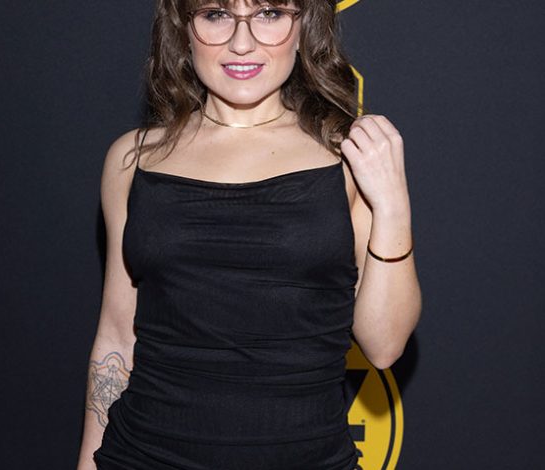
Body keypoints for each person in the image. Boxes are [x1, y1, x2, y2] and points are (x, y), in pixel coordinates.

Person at [77, 0, 421, 468]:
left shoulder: (349, 159)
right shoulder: (133, 160)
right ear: (184, 28)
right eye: (216, 14)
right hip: (142, 455)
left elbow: (383, 346)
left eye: (269, 13)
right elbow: (117, 337)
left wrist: (393, 205)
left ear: (303, 27)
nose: (242, 42)